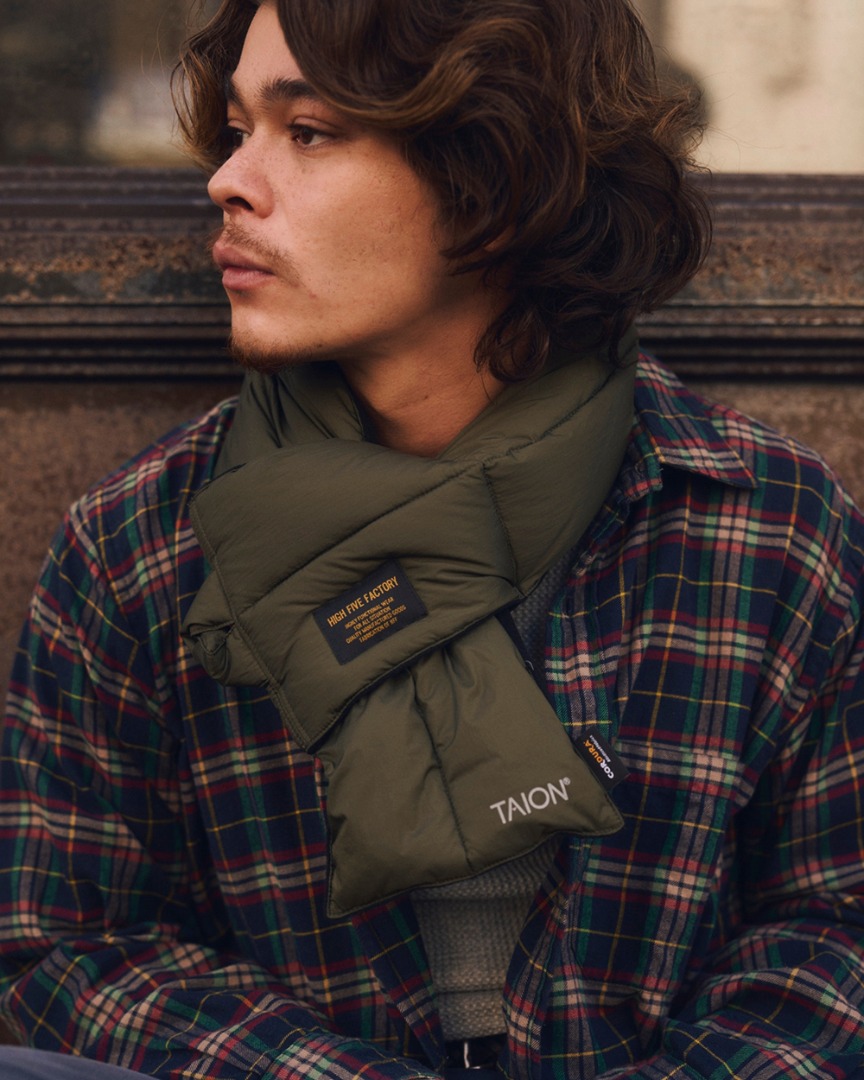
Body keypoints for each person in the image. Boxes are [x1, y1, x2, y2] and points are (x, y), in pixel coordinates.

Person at [1, 0, 863, 1077]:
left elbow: (836, 929)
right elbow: (66, 946)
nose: (228, 180)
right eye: (236, 131)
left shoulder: (761, 523)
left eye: (307, 132)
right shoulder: (143, 541)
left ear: (494, 177)